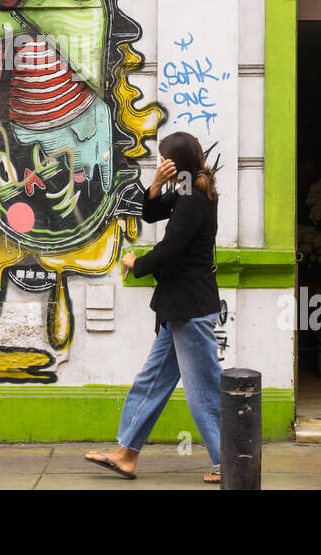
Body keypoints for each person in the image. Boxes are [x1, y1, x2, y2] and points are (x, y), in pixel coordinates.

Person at [86, 130, 223, 484]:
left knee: (203, 389)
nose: (160, 162)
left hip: (190, 308)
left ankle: (229, 462)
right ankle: (127, 453)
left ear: (177, 161)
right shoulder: (187, 190)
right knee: (151, 380)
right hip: (179, 307)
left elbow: (171, 248)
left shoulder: (194, 197)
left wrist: (137, 264)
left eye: (164, 158)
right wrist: (156, 183)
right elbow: (150, 214)